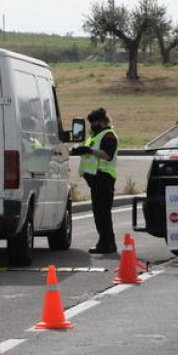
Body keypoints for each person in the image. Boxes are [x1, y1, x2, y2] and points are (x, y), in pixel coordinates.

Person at [71, 107, 119, 254]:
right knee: (100, 212)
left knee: (102, 213)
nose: (92, 125)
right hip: (96, 180)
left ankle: (105, 243)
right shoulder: (96, 135)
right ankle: (108, 242)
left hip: (104, 178)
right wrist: (81, 149)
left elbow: (107, 155)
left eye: (94, 122)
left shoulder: (108, 136)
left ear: (102, 121)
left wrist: (89, 151)